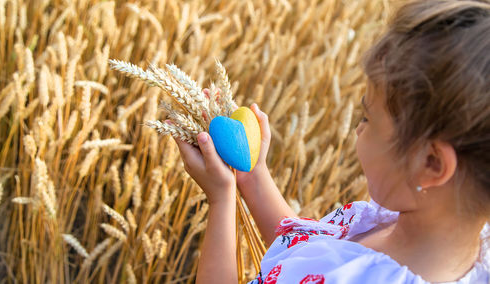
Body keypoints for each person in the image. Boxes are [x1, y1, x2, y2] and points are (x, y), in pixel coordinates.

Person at [172, 0, 490, 283]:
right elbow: (303, 256)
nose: (358, 130)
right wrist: (252, 175)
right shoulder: (420, 226)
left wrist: (221, 199)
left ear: (431, 164)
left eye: (367, 119)